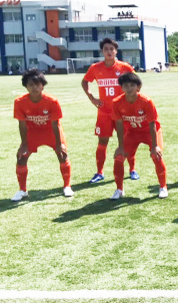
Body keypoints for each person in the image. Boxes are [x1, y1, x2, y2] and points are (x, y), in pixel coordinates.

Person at [12, 69, 74, 201]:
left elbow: (55, 124)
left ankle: (67, 186)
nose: (34, 87)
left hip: (51, 131)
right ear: (26, 86)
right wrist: (23, 144)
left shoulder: (52, 101)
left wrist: (59, 144)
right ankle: (22, 190)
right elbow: (22, 124)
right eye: (31, 85)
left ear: (42, 85)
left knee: (62, 155)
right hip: (32, 132)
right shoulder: (19, 102)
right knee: (21, 158)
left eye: (37, 84)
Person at [82, 38, 136, 184]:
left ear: (116, 51)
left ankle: (132, 170)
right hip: (104, 112)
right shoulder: (95, 68)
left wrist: (130, 100)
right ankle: (99, 172)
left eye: (112, 49)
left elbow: (136, 83)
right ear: (102, 51)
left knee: (127, 141)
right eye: (106, 49)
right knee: (102, 142)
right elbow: (85, 81)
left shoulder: (124, 67)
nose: (109, 51)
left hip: (123, 112)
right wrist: (92, 98)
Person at [111, 73, 168, 199]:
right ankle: (119, 190)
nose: (129, 88)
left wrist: (154, 146)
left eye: (132, 85)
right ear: (121, 87)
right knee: (119, 157)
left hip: (150, 132)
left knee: (156, 155)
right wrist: (120, 146)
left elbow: (152, 124)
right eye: (126, 85)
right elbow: (119, 126)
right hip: (132, 132)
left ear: (138, 87)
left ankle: (163, 187)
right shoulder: (116, 103)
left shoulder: (146, 101)